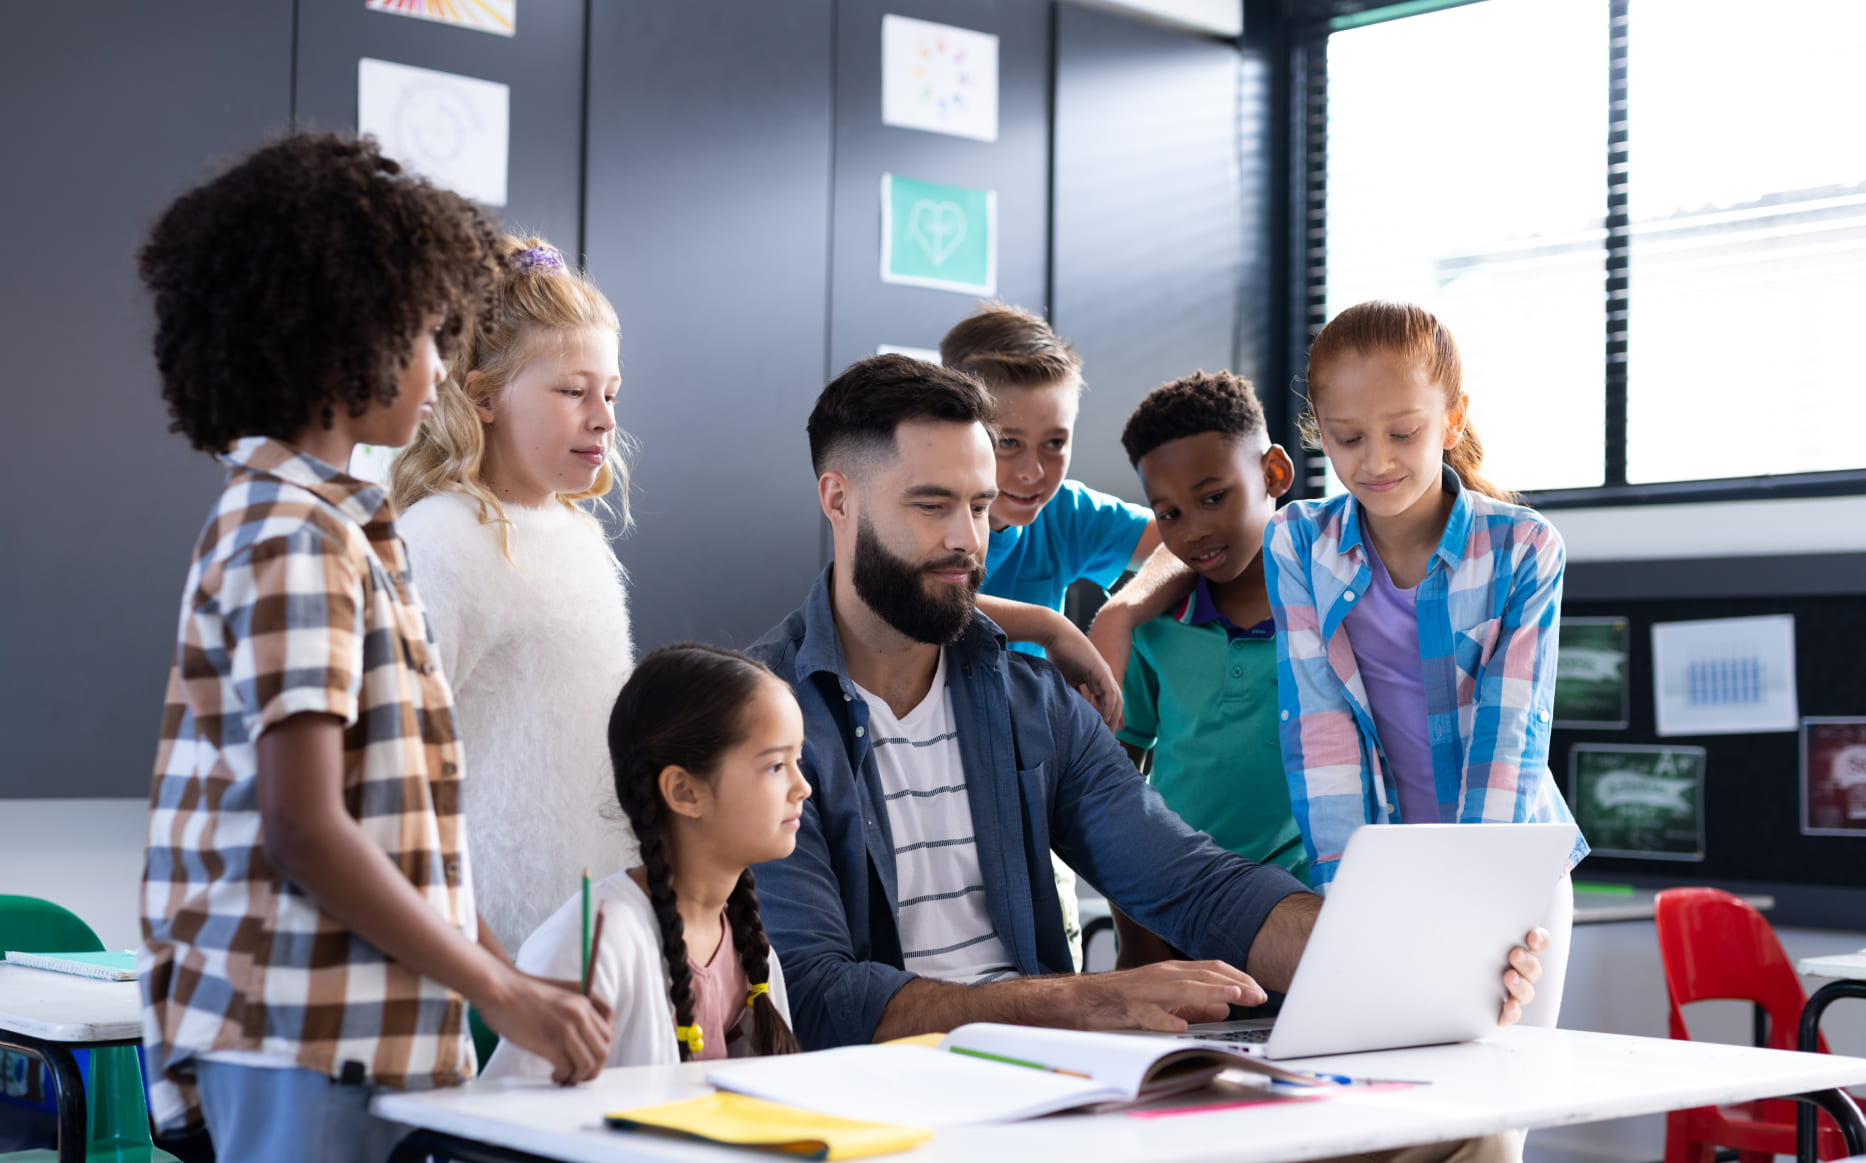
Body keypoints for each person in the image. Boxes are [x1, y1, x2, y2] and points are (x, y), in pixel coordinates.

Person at [743, 354, 1546, 1062]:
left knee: (1445, 1136)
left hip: (1048, 1079)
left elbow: (1193, 881)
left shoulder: (1028, 703)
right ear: (837, 498)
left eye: (981, 506)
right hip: (888, 1098)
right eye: (931, 505)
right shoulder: (762, 718)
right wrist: (1084, 1000)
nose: (968, 539)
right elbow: (822, 998)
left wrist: (1425, 964)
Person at [137, 133, 612, 1160]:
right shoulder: (289, 534)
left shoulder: (342, 526)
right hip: (302, 1030)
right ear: (342, 336)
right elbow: (305, 826)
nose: (440, 364)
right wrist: (499, 987)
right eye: (425, 331)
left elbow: (406, 832)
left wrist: (511, 979)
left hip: (362, 1030)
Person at [1265, 300, 1586, 1026]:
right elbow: (1321, 736)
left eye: (1403, 432)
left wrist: (1481, 917)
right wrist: (1353, 909)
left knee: (1498, 1113)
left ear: (1455, 416)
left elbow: (1511, 744)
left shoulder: (1524, 549)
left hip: (1509, 874)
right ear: (1319, 431)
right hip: (1378, 880)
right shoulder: (1296, 543)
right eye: (1347, 438)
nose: (1375, 461)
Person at [392, 235, 637, 954]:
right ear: (483, 396)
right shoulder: (436, 539)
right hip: (490, 944)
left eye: (612, 393)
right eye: (573, 391)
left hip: (591, 925)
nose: (604, 417)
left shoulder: (580, 537)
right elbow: (398, 777)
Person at [484, 644, 805, 1076]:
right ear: (684, 791)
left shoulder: (750, 947)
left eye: (797, 761)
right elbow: (501, 1121)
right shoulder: (597, 939)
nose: (801, 786)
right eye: (775, 766)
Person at [1109, 370, 1309, 965]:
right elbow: (1116, 780)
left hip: (1307, 917)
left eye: (1213, 496)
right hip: (1176, 914)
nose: (1193, 529)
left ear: (1273, 473)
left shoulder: (1336, 607)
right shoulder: (1154, 626)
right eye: (1167, 513)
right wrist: (1136, 933)